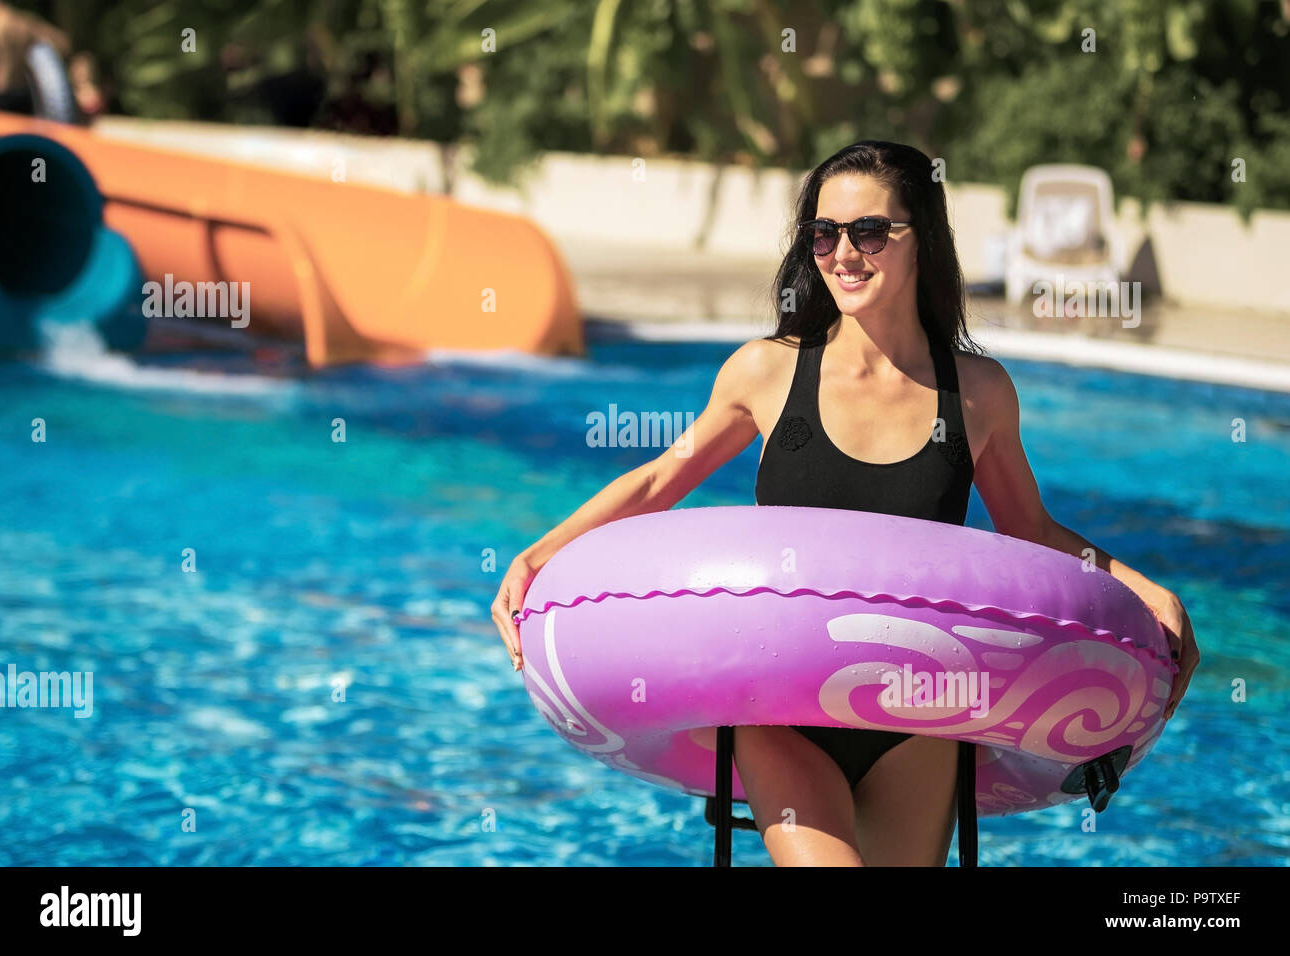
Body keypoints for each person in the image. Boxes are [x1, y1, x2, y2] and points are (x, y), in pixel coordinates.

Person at [491, 140, 1199, 867]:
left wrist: (1145, 591)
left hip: (922, 711)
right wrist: (536, 557)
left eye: (868, 232)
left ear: (921, 237)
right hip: (776, 706)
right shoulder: (767, 372)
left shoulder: (978, 393)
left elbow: (1031, 530)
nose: (843, 254)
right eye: (823, 234)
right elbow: (656, 482)